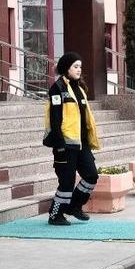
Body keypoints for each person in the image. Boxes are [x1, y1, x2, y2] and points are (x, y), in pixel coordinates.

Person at [43, 52, 101, 226]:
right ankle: (55, 214)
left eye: (80, 67)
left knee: (91, 175)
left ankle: (74, 206)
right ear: (66, 68)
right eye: (75, 66)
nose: (79, 70)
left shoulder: (79, 89)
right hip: (65, 144)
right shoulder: (57, 88)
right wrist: (59, 144)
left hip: (81, 143)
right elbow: (55, 118)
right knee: (66, 183)